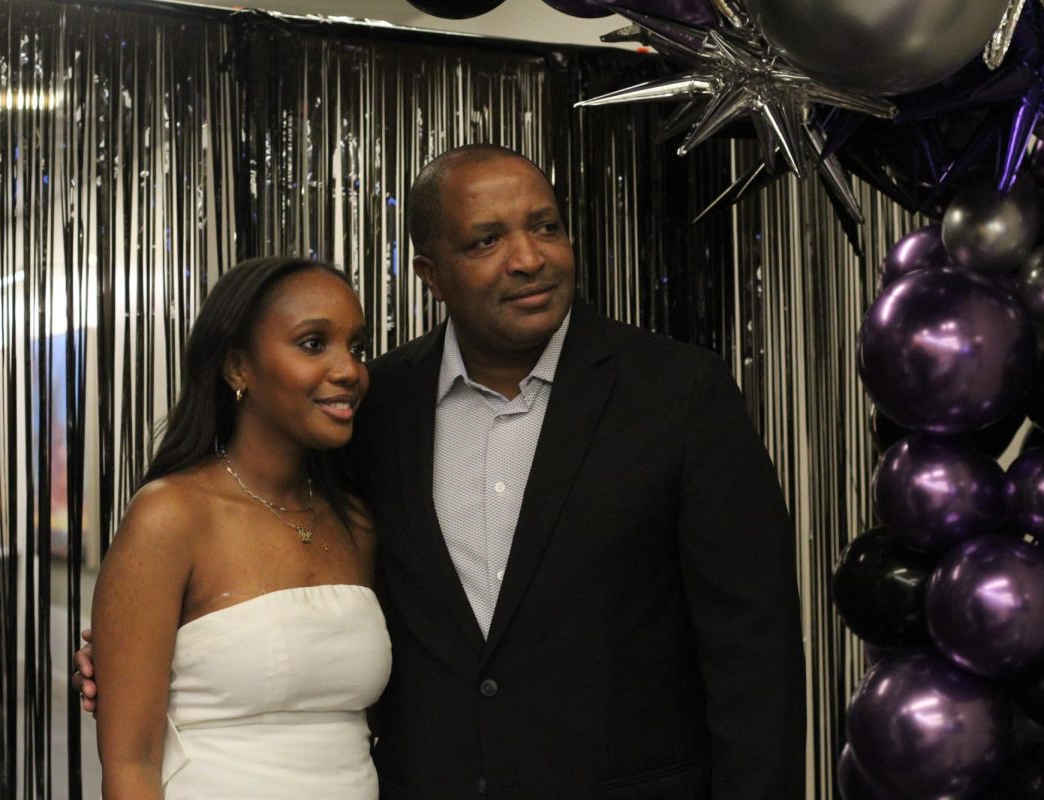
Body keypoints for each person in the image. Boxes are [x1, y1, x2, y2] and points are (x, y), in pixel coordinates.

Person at [78, 146, 806, 798]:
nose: (527, 258)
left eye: (545, 227)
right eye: (486, 240)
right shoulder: (374, 408)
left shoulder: (680, 394)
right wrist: (148, 650)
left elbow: (755, 652)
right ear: (430, 274)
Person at [89, 256, 390, 799]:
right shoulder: (171, 516)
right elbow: (130, 760)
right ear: (237, 368)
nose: (349, 369)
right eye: (313, 343)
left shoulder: (356, 524)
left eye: (357, 347)